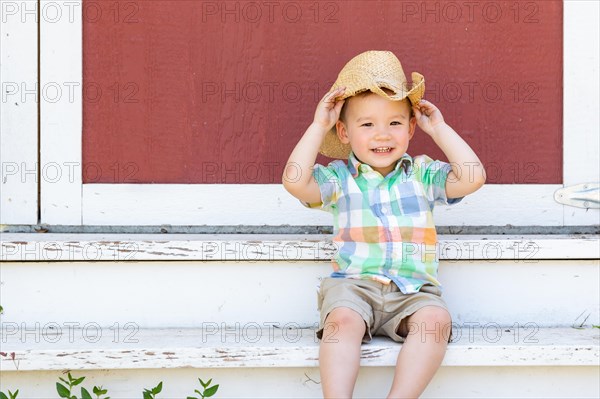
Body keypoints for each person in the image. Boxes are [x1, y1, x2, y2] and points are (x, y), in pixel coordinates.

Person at [282, 50, 486, 398]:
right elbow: (295, 181)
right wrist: (319, 127)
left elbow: (472, 177)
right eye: (367, 124)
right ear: (344, 133)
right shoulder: (339, 178)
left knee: (435, 322)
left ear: (410, 128)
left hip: (413, 291)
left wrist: (439, 129)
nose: (382, 135)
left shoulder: (422, 174)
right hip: (354, 287)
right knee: (340, 323)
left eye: (394, 123)